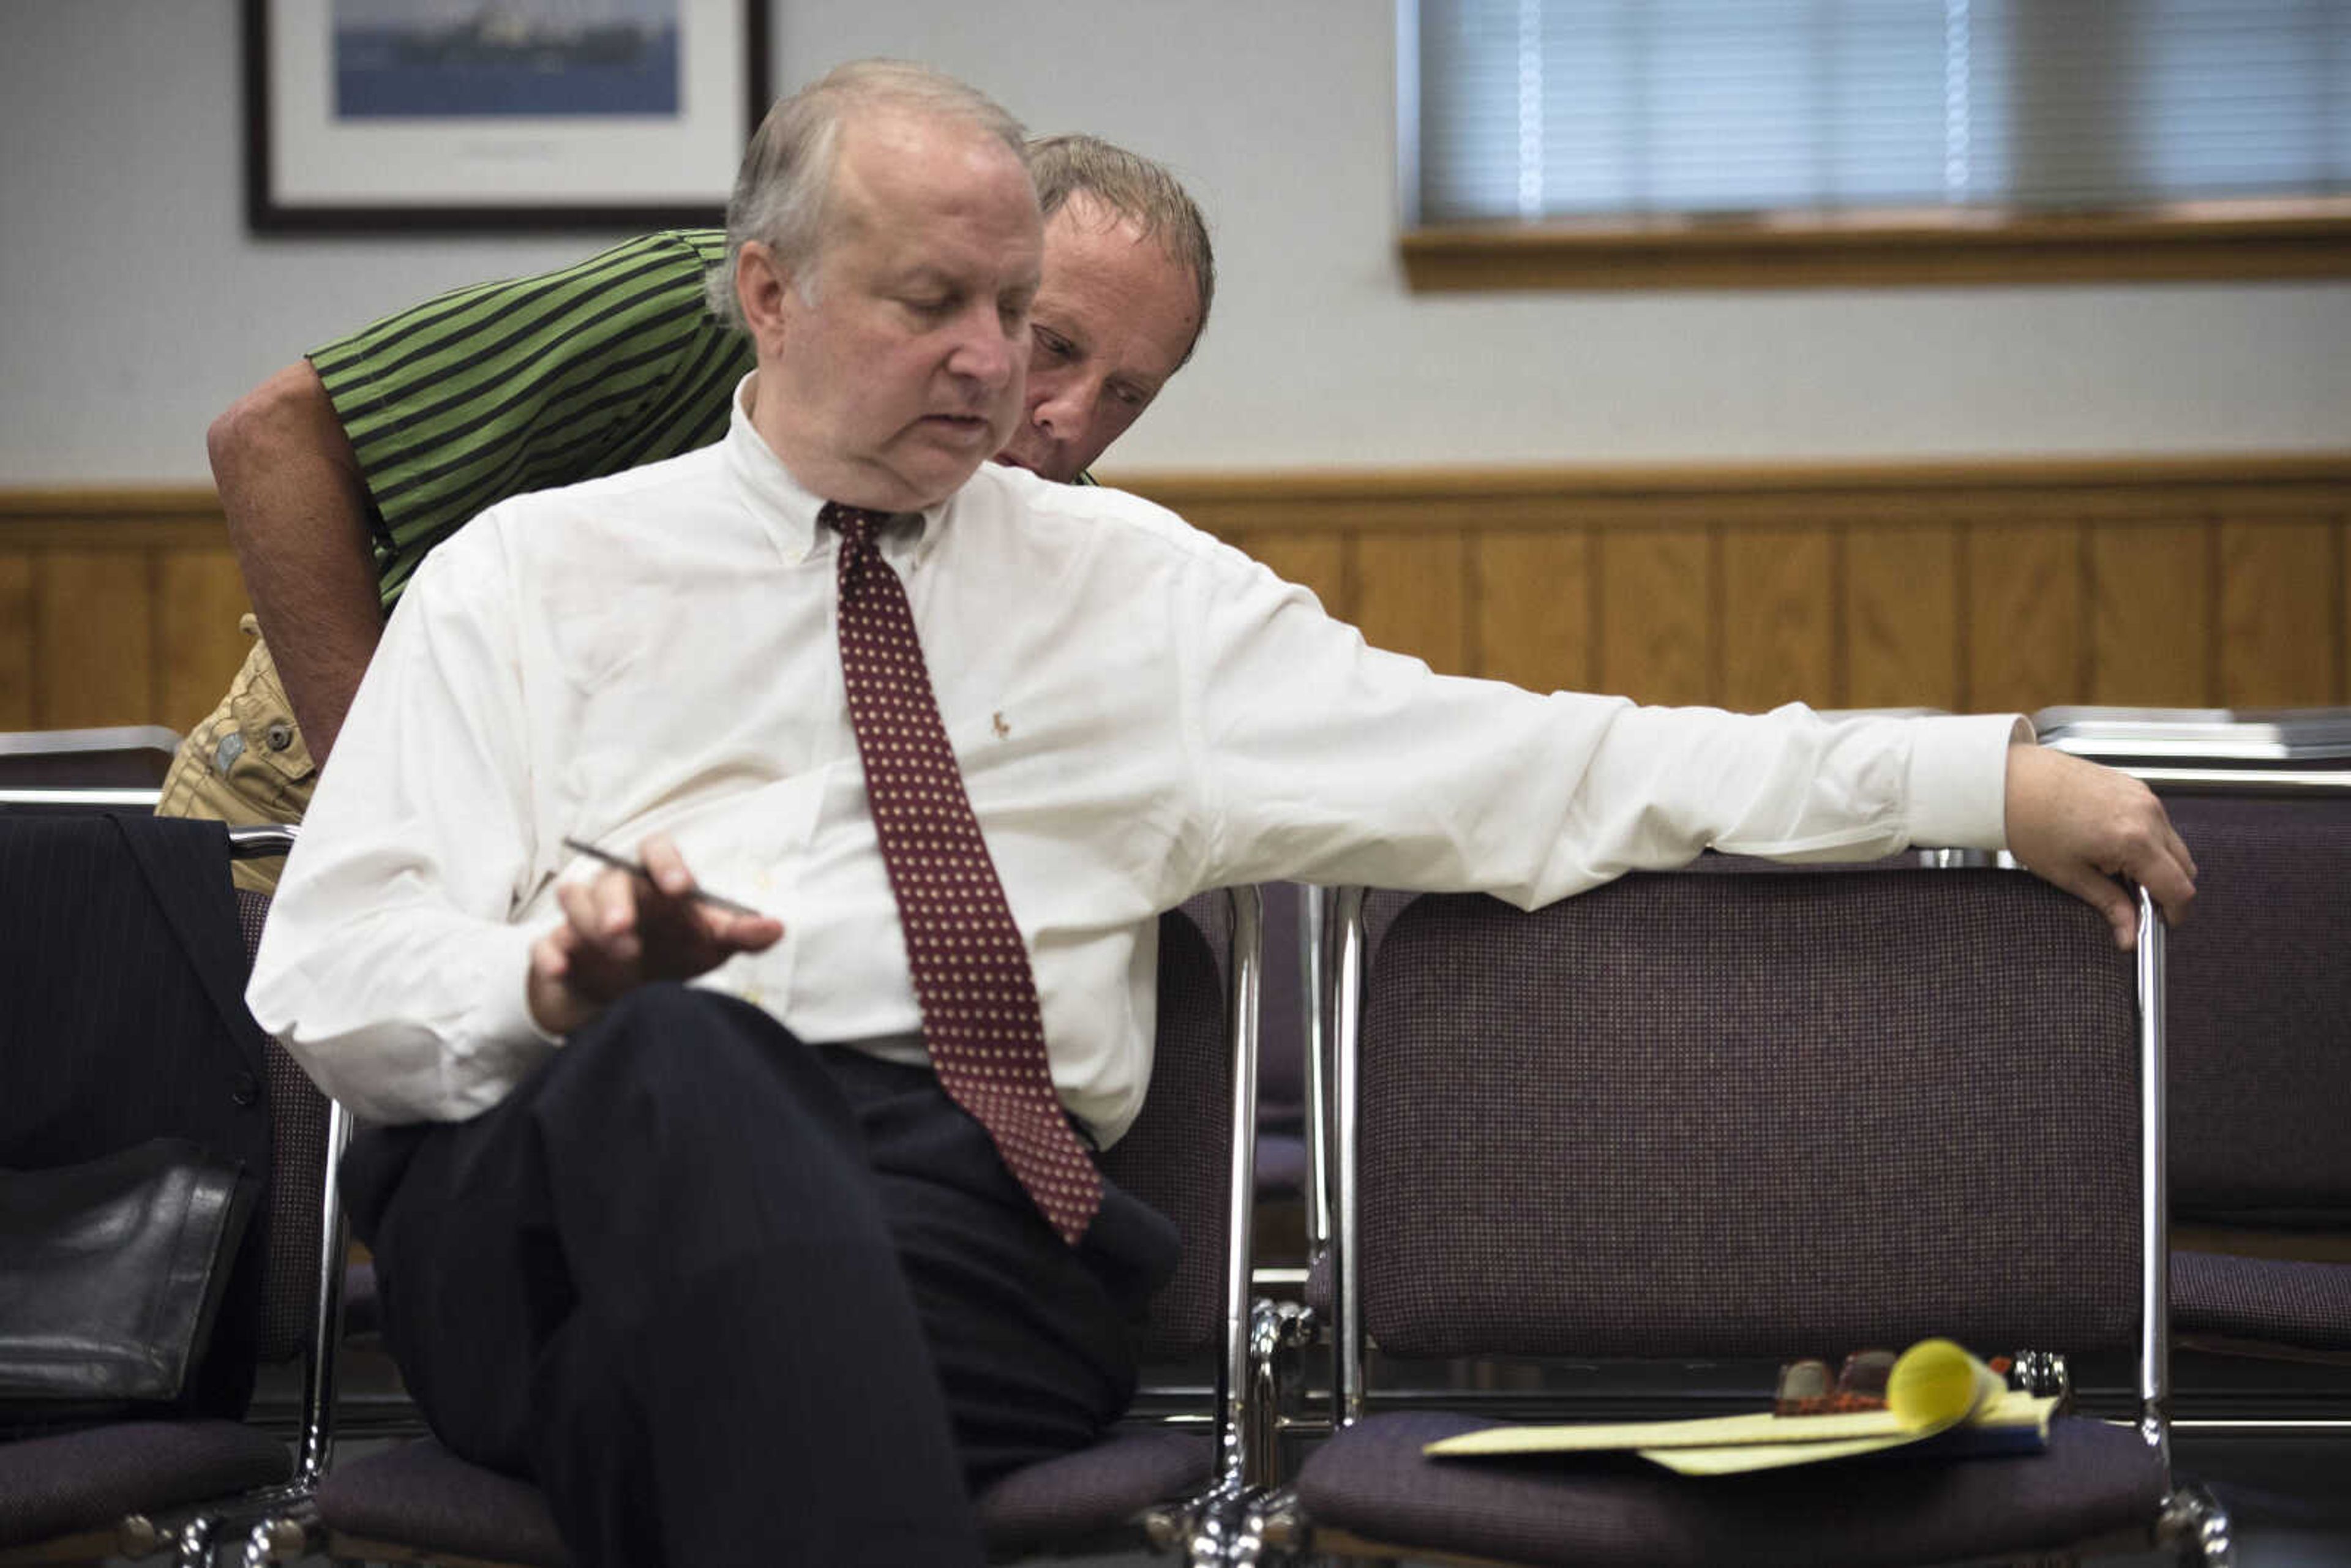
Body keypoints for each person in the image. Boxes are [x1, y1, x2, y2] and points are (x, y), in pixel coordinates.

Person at [247, 59, 2195, 1568]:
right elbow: (333, 972)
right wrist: (549, 984)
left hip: (967, 1231)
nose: (1001, 368)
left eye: (1017, 310)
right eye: (938, 304)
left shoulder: (1148, 601)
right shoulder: (526, 575)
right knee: (687, 1062)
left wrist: (1966, 776)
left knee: (673, 1394)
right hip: (555, 1180)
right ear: (765, 291)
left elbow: (1557, 762)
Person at [157, 131, 1212, 885]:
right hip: (324, 786)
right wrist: (384, 810)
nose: (1070, 418)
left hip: (613, 861)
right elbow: (271, 441)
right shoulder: (703, 312)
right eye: (1056, 346)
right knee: (262, 1189)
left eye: (1129, 393)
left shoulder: (1060, 527)